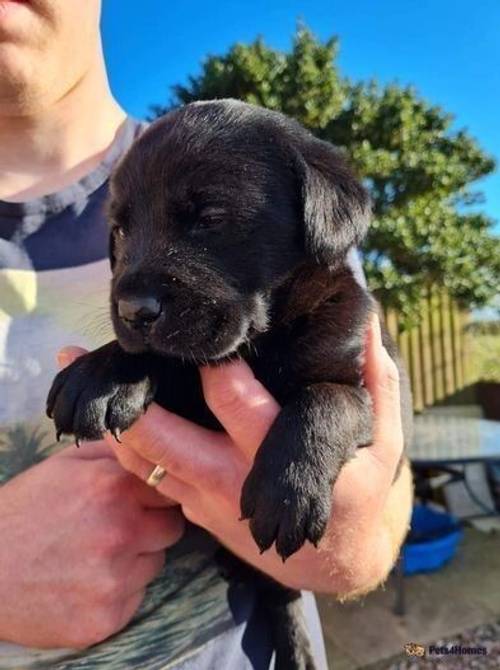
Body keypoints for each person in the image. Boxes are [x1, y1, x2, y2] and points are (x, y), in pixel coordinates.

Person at [0, 1, 413, 668]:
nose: (133, 287)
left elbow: (360, 447)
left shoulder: (302, 236)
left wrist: (353, 529)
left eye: (210, 218)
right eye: (125, 235)